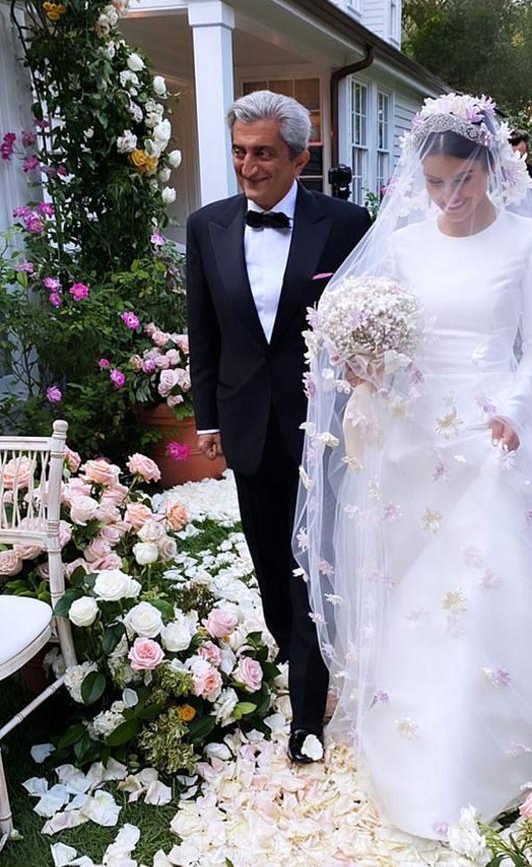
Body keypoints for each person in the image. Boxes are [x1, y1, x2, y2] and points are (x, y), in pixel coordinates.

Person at [294, 94, 532, 836]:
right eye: (436, 182)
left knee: (479, 579)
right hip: (411, 430)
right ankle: (411, 714)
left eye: (462, 181)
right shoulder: (409, 243)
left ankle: (472, 744)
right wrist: (365, 363)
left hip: (487, 431)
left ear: (491, 168)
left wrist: (512, 408)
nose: (448, 197)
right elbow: (389, 334)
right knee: (411, 570)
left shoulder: (526, 242)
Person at [186, 90, 371, 763]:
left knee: (310, 560)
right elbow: (202, 333)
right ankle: (296, 646)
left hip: (323, 424)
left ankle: (308, 705)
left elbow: (369, 321)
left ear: (299, 156)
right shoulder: (206, 226)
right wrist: (208, 419)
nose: (249, 166)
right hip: (245, 418)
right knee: (269, 558)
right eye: (239, 151)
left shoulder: (347, 223)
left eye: (264, 153)